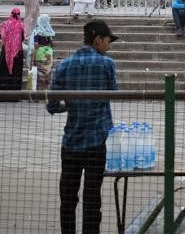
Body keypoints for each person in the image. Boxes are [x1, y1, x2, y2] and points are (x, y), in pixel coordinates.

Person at [47, 20, 119, 234]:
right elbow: (113, 92)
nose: (109, 45)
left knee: (68, 199)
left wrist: (69, 105)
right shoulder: (107, 64)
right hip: (97, 142)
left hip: (71, 143)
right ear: (97, 40)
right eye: (108, 40)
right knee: (92, 198)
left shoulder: (63, 65)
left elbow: (51, 105)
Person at [0, 8, 25, 92]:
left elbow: (1, 35)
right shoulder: (21, 25)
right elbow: (23, 38)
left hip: (6, 51)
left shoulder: (4, 24)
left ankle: (0, 92)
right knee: (16, 72)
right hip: (17, 52)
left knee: (3, 70)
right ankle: (14, 93)